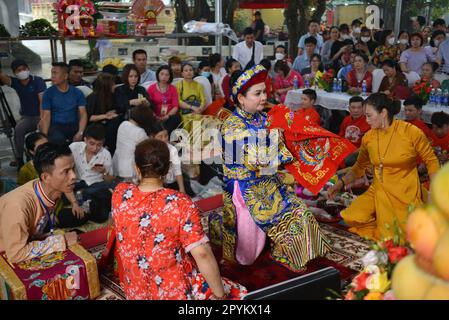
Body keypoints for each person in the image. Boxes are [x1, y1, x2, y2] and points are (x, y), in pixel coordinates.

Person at [221, 65, 331, 270]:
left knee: (299, 210)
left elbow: (279, 148)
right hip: (245, 186)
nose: (263, 97)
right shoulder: (232, 126)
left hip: (268, 179)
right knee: (285, 216)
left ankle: (285, 251)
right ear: (241, 98)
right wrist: (283, 150)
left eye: (264, 92)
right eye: (257, 93)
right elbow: (258, 159)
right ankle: (280, 250)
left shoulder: (264, 118)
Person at [111, 139, 246, 299]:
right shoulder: (179, 203)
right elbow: (202, 254)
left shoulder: (120, 193)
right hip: (174, 292)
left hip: (135, 291)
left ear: (137, 168)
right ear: (167, 168)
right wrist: (220, 296)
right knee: (240, 293)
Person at [327, 93, 440, 243]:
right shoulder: (369, 137)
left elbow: (431, 161)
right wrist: (339, 184)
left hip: (405, 191)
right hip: (379, 190)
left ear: (383, 113)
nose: (366, 121)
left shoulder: (410, 132)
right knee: (350, 217)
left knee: (399, 238)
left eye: (369, 115)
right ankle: (378, 216)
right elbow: (359, 166)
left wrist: (435, 192)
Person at [0, 143, 79, 263]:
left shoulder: (51, 189)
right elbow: (16, 254)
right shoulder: (18, 206)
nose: (74, 176)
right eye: (66, 171)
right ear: (46, 177)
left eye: (73, 169)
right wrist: (61, 241)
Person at [0, 59, 46, 168]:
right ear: (15, 73)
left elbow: (42, 102)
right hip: (27, 117)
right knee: (18, 130)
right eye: (19, 70)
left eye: (24, 69)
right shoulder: (16, 82)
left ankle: (43, 157)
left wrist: (42, 119)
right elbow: (3, 77)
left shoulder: (37, 81)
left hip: (41, 115)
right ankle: (19, 159)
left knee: (44, 132)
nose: (22, 71)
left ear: (28, 69)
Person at [41, 62, 88, 145]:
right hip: (56, 127)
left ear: (66, 76)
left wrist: (80, 132)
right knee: (58, 140)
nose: (52, 76)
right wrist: (44, 137)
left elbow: (83, 114)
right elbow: (46, 116)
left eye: (55, 73)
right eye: (52, 73)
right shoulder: (48, 93)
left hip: (74, 125)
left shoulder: (77, 92)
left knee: (87, 138)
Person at [69, 123, 114, 198]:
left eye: (99, 145)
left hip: (96, 184)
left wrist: (104, 172)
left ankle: (83, 194)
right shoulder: (74, 147)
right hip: (76, 182)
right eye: (92, 143)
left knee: (106, 187)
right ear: (85, 140)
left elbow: (109, 180)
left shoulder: (106, 154)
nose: (95, 148)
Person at [113, 105, 154, 180]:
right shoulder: (140, 132)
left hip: (118, 164)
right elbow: (147, 149)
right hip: (130, 169)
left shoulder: (123, 124)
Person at [149, 121, 191, 195]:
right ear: (152, 137)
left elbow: (177, 170)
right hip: (156, 185)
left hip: (172, 182)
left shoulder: (172, 150)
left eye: (166, 135)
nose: (164, 139)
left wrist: (182, 189)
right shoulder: (148, 151)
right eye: (160, 136)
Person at [86, 73, 124, 155]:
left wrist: (113, 112)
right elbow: (89, 117)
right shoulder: (93, 98)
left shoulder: (113, 95)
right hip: (96, 125)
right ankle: (107, 148)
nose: (115, 86)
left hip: (109, 123)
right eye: (112, 84)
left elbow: (120, 108)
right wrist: (105, 116)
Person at [147, 65, 181, 134]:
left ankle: (167, 136)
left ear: (170, 77)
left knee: (176, 117)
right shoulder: (151, 88)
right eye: (162, 74)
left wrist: (167, 116)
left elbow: (175, 107)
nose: (164, 77)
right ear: (158, 75)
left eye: (167, 75)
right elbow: (148, 105)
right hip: (155, 116)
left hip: (169, 116)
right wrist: (155, 116)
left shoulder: (173, 89)